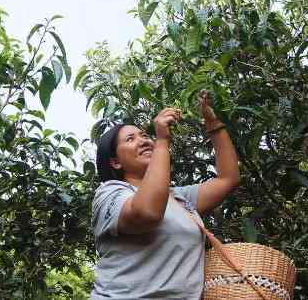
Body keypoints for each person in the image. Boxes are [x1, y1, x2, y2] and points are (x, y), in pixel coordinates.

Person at [90, 90, 240, 300]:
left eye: (144, 135)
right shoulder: (109, 194)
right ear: (115, 162)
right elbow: (147, 213)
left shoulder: (179, 199)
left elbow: (228, 179)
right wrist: (162, 141)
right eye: (131, 139)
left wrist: (212, 122)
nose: (143, 140)